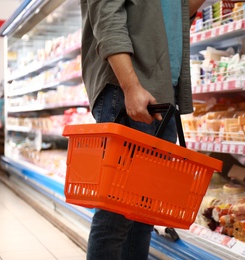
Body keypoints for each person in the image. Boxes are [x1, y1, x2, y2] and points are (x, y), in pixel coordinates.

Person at [80, 0, 206, 259]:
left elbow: (179, 12)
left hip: (163, 93)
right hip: (128, 90)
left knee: (142, 216)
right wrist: (130, 86)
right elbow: (106, 16)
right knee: (116, 214)